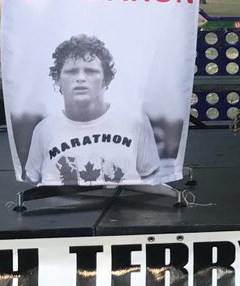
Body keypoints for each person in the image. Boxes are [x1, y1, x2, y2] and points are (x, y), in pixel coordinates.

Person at [23, 34, 160, 185]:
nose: (81, 78)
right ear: (58, 79)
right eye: (72, 71)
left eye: (90, 71)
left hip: (122, 207)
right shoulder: (44, 129)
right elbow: (33, 183)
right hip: (63, 207)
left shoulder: (134, 121)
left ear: (106, 79)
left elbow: (150, 178)